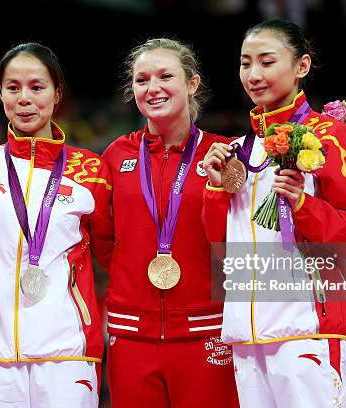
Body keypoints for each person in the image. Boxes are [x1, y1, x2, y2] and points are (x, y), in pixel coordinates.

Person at [0, 42, 113, 407]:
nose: (24, 98)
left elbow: (115, 256)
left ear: (57, 94)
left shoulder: (90, 171)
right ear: (0, 93)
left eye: (37, 87)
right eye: (13, 88)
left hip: (68, 349)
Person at [202, 20, 346, 407]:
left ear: (302, 66)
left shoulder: (329, 136)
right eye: (245, 64)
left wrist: (302, 205)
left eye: (267, 61)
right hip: (246, 334)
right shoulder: (237, 151)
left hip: (306, 327)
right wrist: (214, 189)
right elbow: (221, 251)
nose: (253, 75)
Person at [100, 38, 239, 407]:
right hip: (131, 335)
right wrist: (128, 277)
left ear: (192, 84)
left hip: (206, 333)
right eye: (141, 79)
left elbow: (233, 241)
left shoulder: (224, 153)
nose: (153, 88)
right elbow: (101, 238)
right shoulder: (116, 155)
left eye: (165, 76)